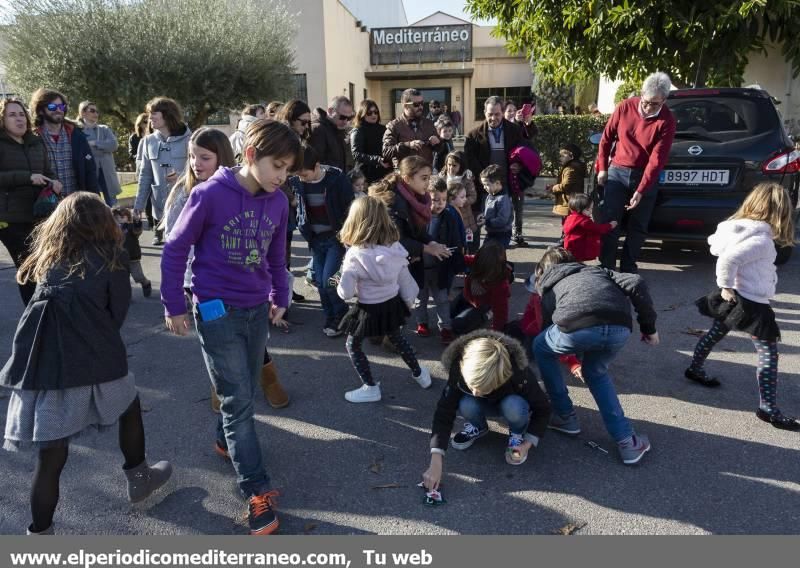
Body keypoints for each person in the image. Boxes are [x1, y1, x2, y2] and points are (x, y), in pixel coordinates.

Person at [0, 193, 172, 535]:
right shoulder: (113, 257)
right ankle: (139, 478)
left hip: (44, 365)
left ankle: (40, 534)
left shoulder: (49, 257)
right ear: (104, 222)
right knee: (129, 406)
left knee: (51, 458)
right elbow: (116, 315)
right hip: (94, 358)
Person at [161, 119, 299, 535]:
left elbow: (276, 256)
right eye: (278, 165)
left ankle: (224, 440)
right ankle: (256, 491)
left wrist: (280, 296)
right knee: (239, 398)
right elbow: (175, 247)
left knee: (241, 390)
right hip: (216, 310)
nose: (283, 176)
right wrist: (174, 303)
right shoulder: (208, 195)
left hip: (258, 309)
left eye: (289, 169)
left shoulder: (279, 202)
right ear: (252, 155)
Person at [687, 183, 798, 431]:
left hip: (735, 296)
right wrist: (725, 285)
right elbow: (729, 259)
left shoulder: (738, 229)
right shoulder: (761, 240)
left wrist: (728, 288)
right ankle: (768, 408)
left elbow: (723, 251)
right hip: (750, 301)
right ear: (779, 212)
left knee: (716, 333)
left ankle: (694, 369)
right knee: (769, 353)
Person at [533, 247, 659, 465]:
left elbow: (550, 328)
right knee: (596, 372)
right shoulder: (599, 272)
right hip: (619, 327)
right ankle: (627, 442)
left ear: (544, 269)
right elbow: (636, 282)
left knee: (540, 347)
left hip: (576, 326)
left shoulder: (550, 285)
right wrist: (648, 328)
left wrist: (569, 356)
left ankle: (564, 416)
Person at [422, 331, 552, 491]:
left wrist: (527, 444)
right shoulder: (459, 366)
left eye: (482, 388)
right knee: (467, 402)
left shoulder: (519, 372)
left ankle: (517, 433)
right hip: (483, 404)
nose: (476, 392)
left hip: (510, 403)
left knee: (514, 406)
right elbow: (444, 411)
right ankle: (479, 426)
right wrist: (436, 460)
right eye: (472, 385)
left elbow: (543, 409)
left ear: (502, 376)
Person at [336, 196, 431, 403]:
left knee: (353, 345)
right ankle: (420, 374)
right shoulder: (395, 248)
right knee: (398, 339)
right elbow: (407, 281)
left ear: (354, 221)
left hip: (367, 309)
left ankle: (370, 387)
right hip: (391, 305)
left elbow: (346, 293)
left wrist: (339, 279)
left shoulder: (355, 255)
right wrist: (408, 302)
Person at [596, 71, 676, 273]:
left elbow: (657, 159)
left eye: (656, 104)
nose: (649, 107)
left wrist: (641, 190)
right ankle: (606, 267)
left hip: (645, 175)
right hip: (617, 172)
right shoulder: (625, 107)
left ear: (664, 100)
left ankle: (628, 268)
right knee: (611, 222)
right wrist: (603, 168)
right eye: (647, 101)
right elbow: (606, 139)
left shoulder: (667, 120)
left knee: (638, 226)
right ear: (641, 94)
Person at [0, 97, 61, 305]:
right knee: (27, 265)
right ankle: (33, 314)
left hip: (39, 214)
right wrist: (26, 177)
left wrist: (54, 182)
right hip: (10, 218)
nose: (19, 119)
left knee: (43, 264)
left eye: (21, 114)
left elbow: (48, 171)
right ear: (2, 120)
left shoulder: (35, 142)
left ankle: (41, 310)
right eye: (12, 115)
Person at [289, 143, 354, 337]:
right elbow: (299, 205)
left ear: (317, 166)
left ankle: (342, 314)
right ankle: (330, 316)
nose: (302, 179)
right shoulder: (297, 181)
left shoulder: (336, 179)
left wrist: (349, 235)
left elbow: (350, 208)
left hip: (335, 238)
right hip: (315, 239)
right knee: (319, 281)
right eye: (298, 175)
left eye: (305, 174)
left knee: (329, 281)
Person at [368, 156, 451, 291]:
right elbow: (396, 240)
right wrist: (428, 248)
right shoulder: (392, 201)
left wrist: (432, 242)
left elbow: (416, 229)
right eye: (424, 178)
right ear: (407, 179)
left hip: (402, 262)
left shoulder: (414, 196)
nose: (428, 183)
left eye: (429, 178)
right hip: (385, 268)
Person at [464, 96, 524, 245]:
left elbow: (524, 151)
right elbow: (469, 159)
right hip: (483, 185)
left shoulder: (515, 130)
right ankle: (475, 252)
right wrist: (484, 177)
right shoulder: (473, 135)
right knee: (477, 220)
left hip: (506, 185)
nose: (493, 118)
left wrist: (519, 165)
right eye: (490, 114)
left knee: (502, 220)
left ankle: (499, 250)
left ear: (502, 112)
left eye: (497, 114)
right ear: (484, 112)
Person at [133, 96, 191, 246]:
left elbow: (200, 170)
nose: (149, 117)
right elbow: (145, 175)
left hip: (186, 203)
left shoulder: (190, 139)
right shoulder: (147, 141)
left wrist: (183, 176)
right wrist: (139, 205)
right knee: (171, 252)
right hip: (160, 205)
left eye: (153, 113)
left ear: (167, 114)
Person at [415, 178, 464, 345]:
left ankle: (445, 327)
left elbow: (457, 241)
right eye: (435, 199)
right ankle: (422, 322)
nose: (440, 204)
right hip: (419, 268)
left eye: (443, 200)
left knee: (442, 299)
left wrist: (458, 262)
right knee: (420, 299)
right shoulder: (418, 216)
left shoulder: (449, 217)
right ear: (426, 197)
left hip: (440, 269)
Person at [30, 88, 98, 196]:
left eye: (61, 106)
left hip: (77, 202)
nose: (58, 110)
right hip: (47, 205)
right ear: (40, 111)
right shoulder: (32, 139)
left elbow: (90, 171)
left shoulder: (77, 136)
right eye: (52, 107)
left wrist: (95, 198)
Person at [456, 240, 512, 334]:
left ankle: (487, 314)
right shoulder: (476, 261)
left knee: (458, 325)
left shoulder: (500, 284)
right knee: (449, 314)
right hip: (467, 297)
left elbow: (501, 312)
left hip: (483, 305)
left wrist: (496, 332)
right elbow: (462, 259)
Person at [382, 88, 443, 167]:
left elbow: (439, 148)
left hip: (425, 173)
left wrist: (437, 143)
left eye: (422, 103)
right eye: (416, 104)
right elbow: (386, 151)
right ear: (405, 106)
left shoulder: (429, 123)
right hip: (405, 174)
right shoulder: (394, 126)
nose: (420, 107)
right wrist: (407, 145)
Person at [77, 101, 121, 206]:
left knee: (113, 203)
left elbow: (114, 145)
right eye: (92, 111)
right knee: (93, 202)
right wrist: (104, 146)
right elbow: (80, 151)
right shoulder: (78, 131)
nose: (95, 114)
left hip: (106, 171)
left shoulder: (104, 129)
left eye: (97, 111)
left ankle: (116, 222)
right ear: (82, 113)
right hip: (89, 171)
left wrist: (94, 143)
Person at [439, 150, 478, 252]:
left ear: (461, 165)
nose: (451, 168)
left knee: (465, 241)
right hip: (447, 213)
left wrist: (461, 201)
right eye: (449, 164)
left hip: (464, 215)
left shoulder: (466, 178)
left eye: (454, 165)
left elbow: (473, 196)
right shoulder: (442, 177)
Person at [563, 194, 617, 262]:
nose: (591, 211)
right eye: (589, 209)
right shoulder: (583, 221)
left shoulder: (571, 217)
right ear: (580, 209)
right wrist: (610, 225)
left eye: (591, 208)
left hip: (571, 247)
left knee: (573, 262)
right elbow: (597, 229)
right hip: (579, 249)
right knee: (577, 263)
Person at [111, 206, 152, 297]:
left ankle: (146, 283)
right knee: (122, 278)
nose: (120, 219)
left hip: (133, 256)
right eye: (117, 217)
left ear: (128, 217)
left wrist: (137, 221)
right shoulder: (112, 230)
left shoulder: (130, 227)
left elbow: (137, 231)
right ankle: (126, 296)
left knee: (138, 276)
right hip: (119, 258)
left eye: (123, 217)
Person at [507, 144, 542, 245]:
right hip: (514, 189)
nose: (513, 168)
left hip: (517, 190)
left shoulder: (517, 156)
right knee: (515, 212)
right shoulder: (522, 157)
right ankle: (516, 234)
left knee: (516, 212)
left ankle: (516, 234)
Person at [350, 99, 391, 184]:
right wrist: (377, 160)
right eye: (369, 113)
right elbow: (356, 154)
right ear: (362, 114)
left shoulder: (383, 129)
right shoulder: (358, 130)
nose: (373, 115)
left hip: (384, 172)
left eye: (376, 112)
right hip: (366, 174)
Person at [309, 96, 353, 172]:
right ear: (330, 111)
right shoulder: (319, 129)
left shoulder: (337, 128)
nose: (345, 121)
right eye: (342, 117)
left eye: (349, 118)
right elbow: (315, 165)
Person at [548, 143, 586, 226]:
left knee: (568, 222)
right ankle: (565, 236)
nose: (560, 158)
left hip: (569, 201)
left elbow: (566, 185)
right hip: (571, 200)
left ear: (571, 156)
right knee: (569, 222)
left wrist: (554, 188)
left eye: (562, 155)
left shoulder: (570, 168)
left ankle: (565, 237)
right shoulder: (572, 167)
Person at [481, 164, 513, 249]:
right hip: (491, 232)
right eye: (483, 184)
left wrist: (486, 222)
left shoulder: (503, 199)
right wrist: (483, 216)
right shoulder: (490, 195)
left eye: (486, 184)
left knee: (496, 256)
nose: (484, 187)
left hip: (502, 234)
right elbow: (488, 212)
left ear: (497, 183)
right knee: (485, 252)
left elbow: (502, 220)